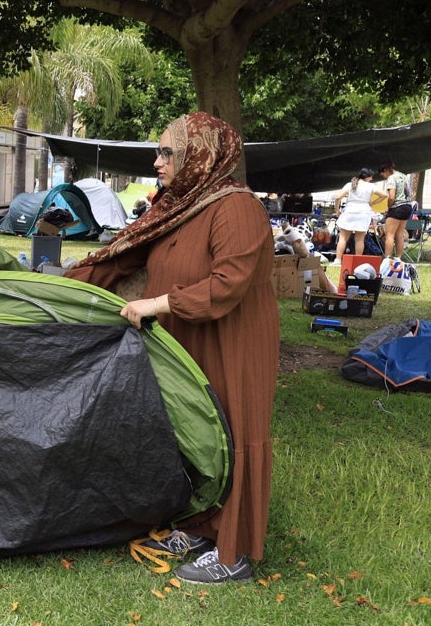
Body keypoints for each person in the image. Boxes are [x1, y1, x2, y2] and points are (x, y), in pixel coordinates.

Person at [66, 112, 279, 585]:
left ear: (200, 157)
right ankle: (203, 526)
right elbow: (122, 257)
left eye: (168, 153)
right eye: (158, 152)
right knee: (197, 433)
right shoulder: (176, 206)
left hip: (231, 338)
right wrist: (61, 289)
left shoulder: (236, 207)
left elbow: (229, 284)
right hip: (185, 336)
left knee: (233, 429)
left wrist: (157, 303)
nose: (157, 162)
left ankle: (234, 552)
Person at [329, 168, 387, 266]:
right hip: (364, 212)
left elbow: (338, 197)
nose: (372, 179)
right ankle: (357, 260)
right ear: (367, 177)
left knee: (343, 238)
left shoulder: (349, 184)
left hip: (350, 211)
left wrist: (337, 210)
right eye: (371, 177)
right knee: (359, 239)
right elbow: (385, 195)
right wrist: (372, 203)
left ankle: (338, 260)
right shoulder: (371, 186)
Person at [379, 159, 415, 259]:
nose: (384, 177)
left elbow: (391, 196)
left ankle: (387, 258)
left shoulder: (391, 178)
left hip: (397, 207)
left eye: (383, 175)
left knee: (389, 235)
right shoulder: (403, 175)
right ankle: (398, 257)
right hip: (407, 206)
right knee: (399, 234)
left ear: (386, 170)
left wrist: (388, 206)